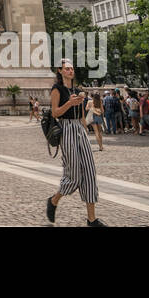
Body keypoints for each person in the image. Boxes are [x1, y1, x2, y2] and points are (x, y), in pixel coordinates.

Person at [45, 59, 104, 226]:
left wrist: (85, 130)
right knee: (74, 175)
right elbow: (55, 113)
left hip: (79, 129)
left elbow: (80, 115)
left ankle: (91, 219)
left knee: (90, 171)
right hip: (66, 129)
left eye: (71, 68)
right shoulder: (57, 89)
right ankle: (54, 200)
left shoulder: (78, 90)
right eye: (67, 69)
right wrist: (69, 103)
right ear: (60, 71)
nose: (70, 71)